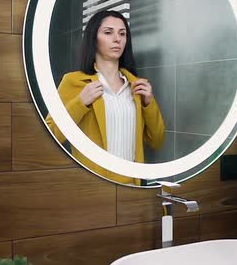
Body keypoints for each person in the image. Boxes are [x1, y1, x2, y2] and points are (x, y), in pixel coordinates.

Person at [46, 10, 165, 185]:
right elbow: (52, 134)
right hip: (94, 188)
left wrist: (149, 104)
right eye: (108, 32)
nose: (117, 39)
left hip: (133, 187)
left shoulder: (138, 87)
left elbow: (157, 141)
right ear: (94, 39)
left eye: (122, 33)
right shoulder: (74, 82)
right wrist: (80, 103)